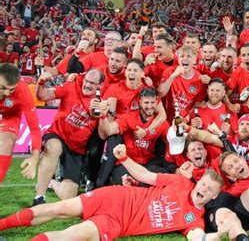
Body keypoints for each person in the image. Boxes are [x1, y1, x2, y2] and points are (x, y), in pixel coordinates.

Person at [0, 144, 225, 241]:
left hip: (118, 223)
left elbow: (200, 238)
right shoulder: (180, 183)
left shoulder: (195, 220)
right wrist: (125, 159)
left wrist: (219, 234)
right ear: (197, 182)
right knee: (57, 208)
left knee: (71, 235)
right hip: (115, 196)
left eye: (209, 189)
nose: (203, 189)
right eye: (203, 184)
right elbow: (146, 176)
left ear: (214, 196)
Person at [33, 69, 105, 204]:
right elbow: (43, 96)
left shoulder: (102, 100)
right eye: (86, 81)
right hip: (58, 134)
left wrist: (99, 113)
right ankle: (39, 197)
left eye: (92, 83)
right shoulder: (71, 86)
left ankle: (51, 182)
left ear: (100, 86)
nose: (87, 85)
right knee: (53, 147)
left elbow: (99, 122)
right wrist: (41, 83)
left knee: (68, 196)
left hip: (76, 149)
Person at [98, 87, 170, 185]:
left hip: (147, 163)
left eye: (153, 103)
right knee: (121, 182)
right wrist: (103, 116)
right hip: (127, 162)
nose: (150, 106)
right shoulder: (130, 117)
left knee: (164, 179)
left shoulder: (161, 122)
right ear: (140, 101)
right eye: (146, 103)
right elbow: (109, 130)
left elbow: (172, 140)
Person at [0, 64, 42, 183]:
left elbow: (34, 128)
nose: (7, 93)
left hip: (10, 115)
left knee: (6, 142)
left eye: (11, 89)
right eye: (3, 87)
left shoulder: (23, 91)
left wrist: (35, 157)